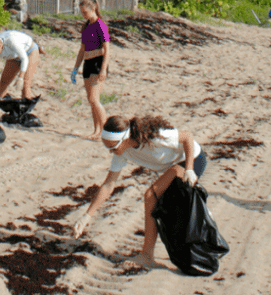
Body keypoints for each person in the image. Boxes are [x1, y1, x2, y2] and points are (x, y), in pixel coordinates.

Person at [72, 114, 206, 270]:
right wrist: (87, 216)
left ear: (125, 139)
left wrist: (189, 169)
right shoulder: (122, 152)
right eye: (107, 148)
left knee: (151, 195)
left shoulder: (154, 137)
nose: (111, 152)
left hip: (193, 159)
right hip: (173, 167)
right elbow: (108, 185)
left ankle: (147, 256)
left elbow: (188, 137)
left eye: (113, 147)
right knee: (171, 210)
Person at [70, 0, 110, 139]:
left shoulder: (101, 25)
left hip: (98, 63)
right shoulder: (86, 26)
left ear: (93, 9)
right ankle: (96, 131)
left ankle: (106, 132)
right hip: (87, 63)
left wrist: (103, 69)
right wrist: (75, 68)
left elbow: (107, 50)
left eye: (85, 12)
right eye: (81, 12)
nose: (83, 15)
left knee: (94, 99)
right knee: (91, 101)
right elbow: (82, 50)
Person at [0, 29, 42, 116]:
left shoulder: (11, 40)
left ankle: (25, 114)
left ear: (0, 45)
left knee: (25, 85)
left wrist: (20, 77)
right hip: (14, 57)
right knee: (3, 83)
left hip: (29, 53)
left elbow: (24, 58)